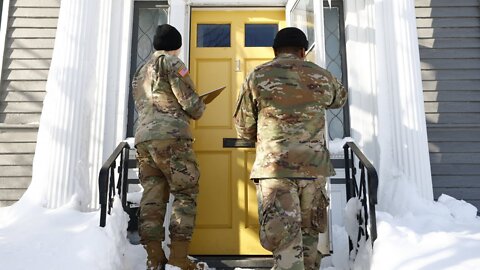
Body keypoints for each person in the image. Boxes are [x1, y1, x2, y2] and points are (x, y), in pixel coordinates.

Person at [234, 27, 347, 270]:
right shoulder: (321, 75)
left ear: (275, 51)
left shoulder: (257, 76)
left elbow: (243, 126)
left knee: (285, 243)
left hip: (275, 171)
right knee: (308, 239)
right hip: (313, 169)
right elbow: (339, 99)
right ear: (303, 51)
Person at [132, 24, 205, 270]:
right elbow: (191, 104)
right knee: (185, 194)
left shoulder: (141, 71)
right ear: (177, 45)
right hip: (171, 138)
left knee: (152, 198)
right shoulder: (173, 64)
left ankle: (154, 259)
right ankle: (179, 258)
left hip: (144, 140)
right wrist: (200, 106)